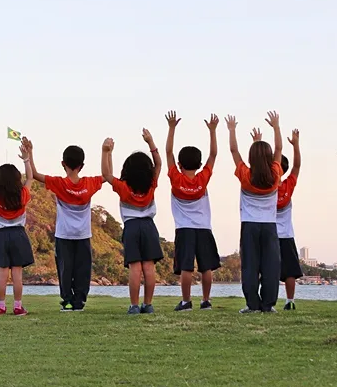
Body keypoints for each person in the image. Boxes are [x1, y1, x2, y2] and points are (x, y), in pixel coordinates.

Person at [26, 143, 103, 311]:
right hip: (83, 235)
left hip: (64, 235)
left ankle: (67, 301)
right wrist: (106, 152)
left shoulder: (59, 183)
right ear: (82, 166)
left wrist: (30, 153)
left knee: (65, 270)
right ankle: (79, 302)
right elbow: (107, 175)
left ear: (63, 163)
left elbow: (35, 174)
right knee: (83, 270)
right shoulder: (89, 183)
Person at [227, 113, 284, 313]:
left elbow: (233, 150)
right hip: (269, 226)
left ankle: (253, 304)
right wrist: (276, 126)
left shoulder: (245, 175)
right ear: (269, 158)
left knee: (250, 266)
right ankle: (268, 305)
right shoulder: (276, 174)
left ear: (251, 157)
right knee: (270, 266)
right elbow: (279, 148)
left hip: (249, 225)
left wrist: (232, 129)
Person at [102, 129, 162, 314]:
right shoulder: (151, 184)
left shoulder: (123, 187)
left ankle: (134, 305)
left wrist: (106, 152)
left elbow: (106, 174)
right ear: (148, 171)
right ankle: (148, 304)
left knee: (135, 268)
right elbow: (159, 163)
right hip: (149, 227)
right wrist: (150, 142)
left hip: (131, 227)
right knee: (149, 267)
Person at [165, 112, 220, 311]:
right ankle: (206, 301)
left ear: (179, 165)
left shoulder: (176, 179)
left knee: (186, 268)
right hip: (204, 229)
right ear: (199, 164)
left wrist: (172, 128)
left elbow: (168, 153)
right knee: (206, 267)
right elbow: (213, 155)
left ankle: (186, 301)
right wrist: (213, 132)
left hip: (184, 229)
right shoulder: (203, 179)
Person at [0, 139, 36, 316]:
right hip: (18, 235)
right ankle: (18, 306)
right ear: (17, 178)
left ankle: (0, 307)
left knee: (2, 275)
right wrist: (26, 158)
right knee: (17, 275)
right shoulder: (22, 195)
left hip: (1, 236)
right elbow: (30, 177)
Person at [277, 129, 303, 311]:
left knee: (266, 269)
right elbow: (297, 167)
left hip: (269, 234)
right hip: (286, 234)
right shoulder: (288, 186)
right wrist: (296, 146)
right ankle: (290, 300)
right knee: (290, 272)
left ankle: (265, 299)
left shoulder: (262, 186)